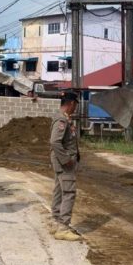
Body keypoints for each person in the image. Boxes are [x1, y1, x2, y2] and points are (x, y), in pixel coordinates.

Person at [49, 91, 82, 241]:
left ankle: (56, 221)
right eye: (75, 105)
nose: (75, 108)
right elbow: (55, 142)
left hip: (61, 162)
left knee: (59, 190)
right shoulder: (61, 120)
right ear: (71, 104)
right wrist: (66, 159)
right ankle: (63, 227)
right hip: (65, 163)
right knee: (69, 192)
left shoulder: (63, 119)